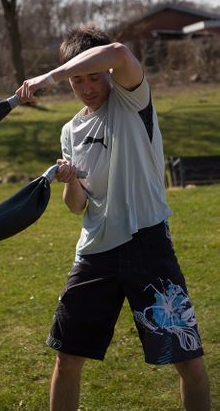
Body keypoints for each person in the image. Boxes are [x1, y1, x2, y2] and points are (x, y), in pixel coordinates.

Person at [16, 24, 210, 411]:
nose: (86, 87)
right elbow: (77, 206)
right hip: (95, 253)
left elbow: (120, 51)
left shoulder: (132, 100)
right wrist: (70, 180)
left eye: (92, 76)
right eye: (76, 80)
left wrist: (48, 75)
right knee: (67, 358)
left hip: (148, 244)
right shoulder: (70, 130)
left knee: (187, 359)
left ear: (105, 73)